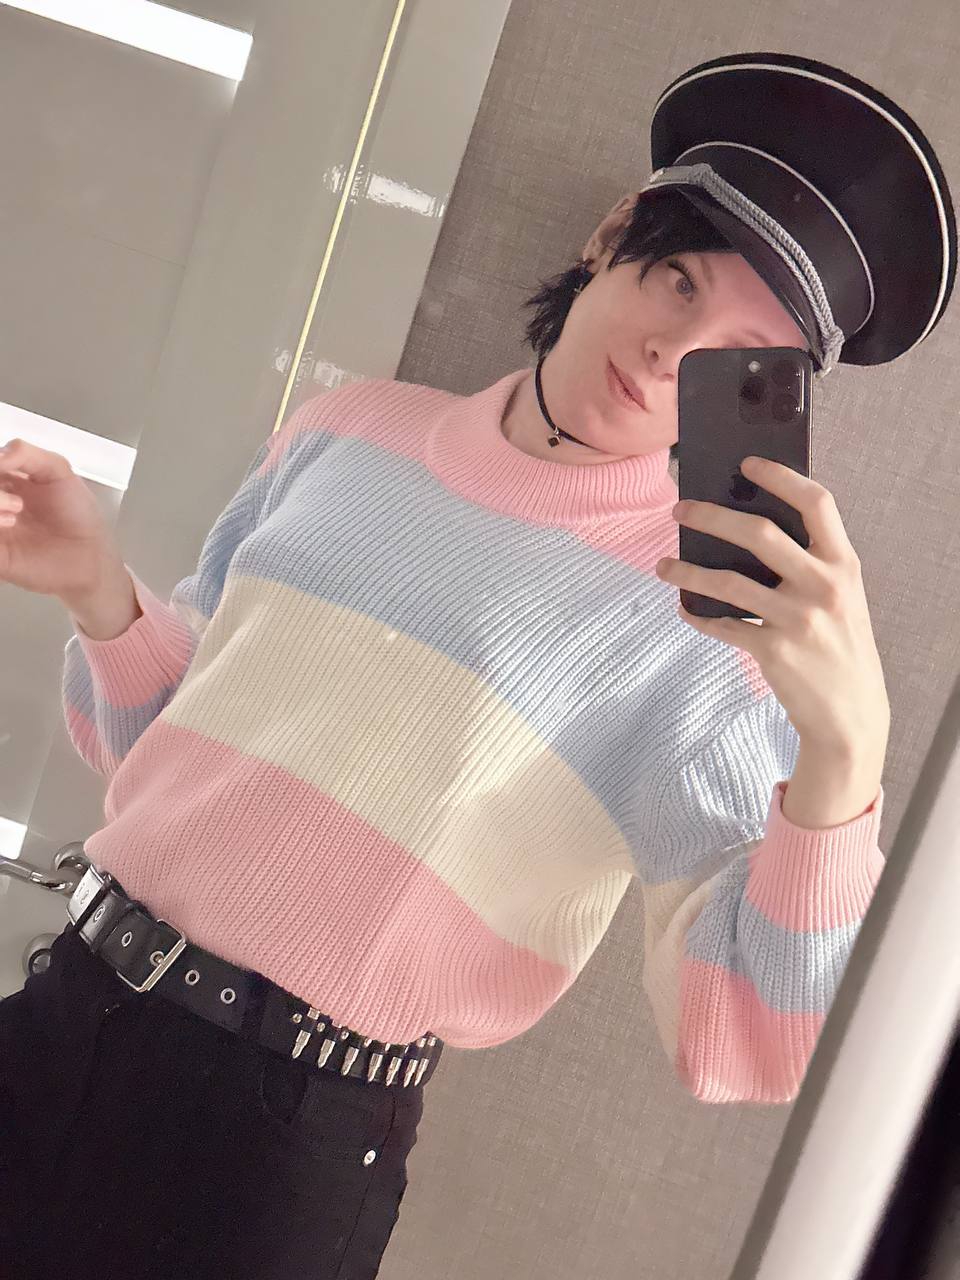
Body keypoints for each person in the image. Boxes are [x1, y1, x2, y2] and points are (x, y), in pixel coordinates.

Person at [0, 51, 955, 1280]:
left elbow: (743, 1042)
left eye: (738, 356)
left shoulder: (708, 636)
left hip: (269, 1151)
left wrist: (846, 754)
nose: (673, 352)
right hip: (64, 1010)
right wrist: (97, 588)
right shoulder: (347, 431)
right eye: (678, 280)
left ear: (768, 401)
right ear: (613, 235)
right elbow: (174, 758)